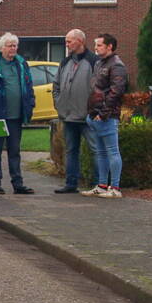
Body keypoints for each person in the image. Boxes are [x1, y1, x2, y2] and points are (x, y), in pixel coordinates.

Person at [0, 32, 36, 195]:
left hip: (16, 117)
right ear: (1, 48)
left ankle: (18, 183)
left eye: (15, 45)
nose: (13, 48)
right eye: (10, 46)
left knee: (15, 151)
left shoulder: (21, 64)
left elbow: (28, 87)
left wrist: (30, 105)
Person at [82, 33, 127, 198]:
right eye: (96, 45)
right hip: (95, 115)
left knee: (112, 151)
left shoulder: (117, 66)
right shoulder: (100, 63)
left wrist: (104, 113)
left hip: (106, 116)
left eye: (99, 45)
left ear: (110, 46)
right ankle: (102, 185)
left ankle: (115, 188)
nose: (96, 48)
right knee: (101, 152)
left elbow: (116, 91)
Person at [52, 29, 97, 193]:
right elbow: (55, 85)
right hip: (68, 116)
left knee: (95, 150)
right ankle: (71, 184)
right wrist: (59, 104)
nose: (67, 44)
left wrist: (92, 110)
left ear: (80, 41)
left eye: (69, 41)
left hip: (87, 117)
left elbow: (98, 89)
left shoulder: (93, 61)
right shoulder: (65, 62)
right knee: (71, 150)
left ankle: (97, 184)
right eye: (66, 41)